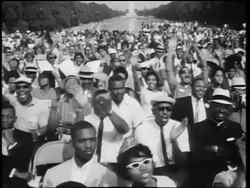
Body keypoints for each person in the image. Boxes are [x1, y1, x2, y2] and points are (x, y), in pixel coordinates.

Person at [189, 88, 245, 187]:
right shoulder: (196, 128)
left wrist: (217, 149)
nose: (221, 110)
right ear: (210, 106)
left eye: (225, 107)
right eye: (218, 106)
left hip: (230, 174)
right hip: (205, 174)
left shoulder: (235, 127)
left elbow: (239, 154)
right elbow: (196, 156)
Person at [134, 95, 190, 186]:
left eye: (168, 109)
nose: (165, 112)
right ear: (153, 111)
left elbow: (183, 161)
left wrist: (174, 141)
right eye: (161, 109)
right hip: (154, 171)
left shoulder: (178, 126)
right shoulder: (142, 128)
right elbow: (142, 159)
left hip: (176, 169)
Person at [43, 121, 118, 187]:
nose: (88, 145)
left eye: (92, 140)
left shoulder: (108, 176)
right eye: (82, 141)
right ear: (72, 142)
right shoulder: (53, 174)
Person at [85, 89, 129, 167]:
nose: (102, 103)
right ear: (93, 103)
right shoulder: (86, 120)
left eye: (106, 100)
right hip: (91, 164)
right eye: (99, 100)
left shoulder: (117, 119)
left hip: (112, 163)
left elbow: (124, 130)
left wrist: (109, 111)